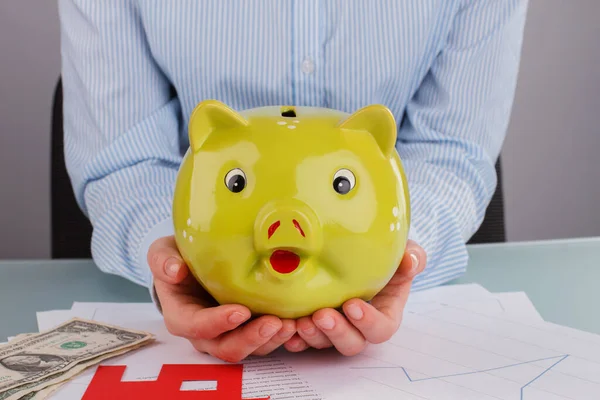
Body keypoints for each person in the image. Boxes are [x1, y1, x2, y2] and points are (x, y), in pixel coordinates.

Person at [58, 1, 527, 363]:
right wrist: (179, 261)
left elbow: (451, 149)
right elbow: (123, 159)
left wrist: (392, 255)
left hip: (397, 282)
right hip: (199, 254)